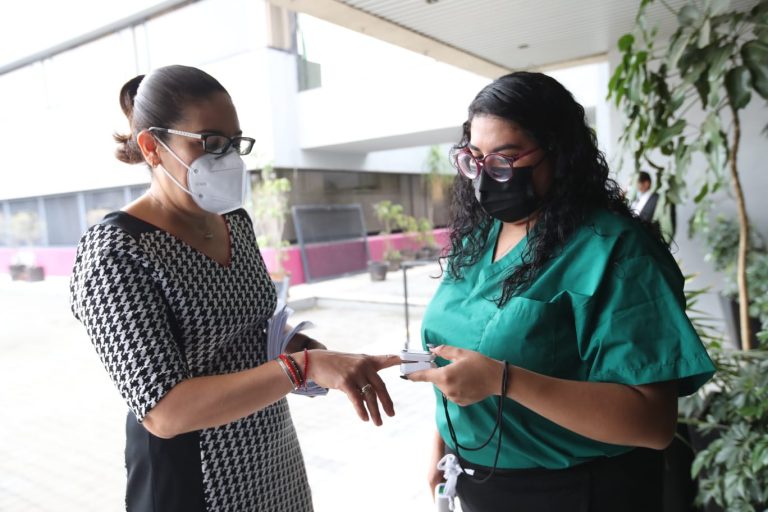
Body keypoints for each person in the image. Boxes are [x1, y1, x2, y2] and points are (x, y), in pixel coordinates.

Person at [69, 65, 399, 512]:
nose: (226, 159)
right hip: (194, 480)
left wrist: (313, 353)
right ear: (151, 146)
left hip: (270, 457)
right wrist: (303, 366)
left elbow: (249, 330)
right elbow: (165, 412)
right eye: (209, 143)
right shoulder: (116, 251)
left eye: (233, 143)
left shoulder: (234, 224)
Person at [407, 72, 715, 512]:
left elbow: (652, 422)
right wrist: (445, 443)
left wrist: (503, 380)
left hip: (579, 491)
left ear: (559, 154)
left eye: (505, 160)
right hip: (479, 483)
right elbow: (461, 351)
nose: (486, 177)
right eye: (475, 159)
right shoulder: (479, 238)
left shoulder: (615, 251)